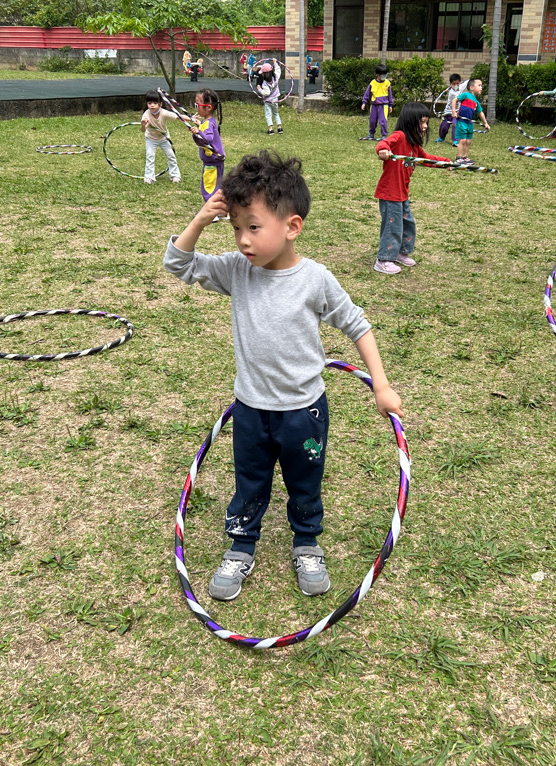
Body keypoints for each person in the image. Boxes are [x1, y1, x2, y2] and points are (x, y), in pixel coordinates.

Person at [164, 150, 403, 600]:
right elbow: (179, 264)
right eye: (236, 228)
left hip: (303, 412)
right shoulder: (237, 271)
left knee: (304, 482)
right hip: (251, 410)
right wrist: (200, 220)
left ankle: (307, 542)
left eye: (253, 227)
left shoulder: (315, 279)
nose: (242, 240)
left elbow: (357, 325)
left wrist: (382, 386)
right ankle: (241, 546)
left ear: (292, 226)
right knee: (249, 481)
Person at [373, 103, 450, 275]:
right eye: (422, 122)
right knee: (393, 226)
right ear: (410, 122)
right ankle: (383, 259)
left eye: (426, 122)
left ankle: (400, 252)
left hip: (402, 194)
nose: (425, 126)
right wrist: (384, 150)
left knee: (408, 224)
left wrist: (445, 162)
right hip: (390, 193)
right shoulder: (400, 136)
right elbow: (383, 143)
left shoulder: (413, 145)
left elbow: (426, 159)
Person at [189, 88, 224, 204]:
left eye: (197, 105)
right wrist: (200, 125)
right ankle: (219, 208)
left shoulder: (208, 123)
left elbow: (208, 139)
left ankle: (213, 209)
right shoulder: (208, 121)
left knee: (209, 188)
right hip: (215, 160)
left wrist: (198, 132)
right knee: (216, 186)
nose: (196, 107)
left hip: (212, 161)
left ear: (208, 107)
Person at [140, 91, 182, 184]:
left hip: (164, 138)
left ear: (160, 104)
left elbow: (178, 117)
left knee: (171, 156)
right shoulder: (146, 114)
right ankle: (149, 177)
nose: (152, 105)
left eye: (155, 103)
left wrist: (191, 119)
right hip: (151, 139)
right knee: (150, 156)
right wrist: (143, 125)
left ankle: (175, 175)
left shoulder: (164, 113)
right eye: (149, 103)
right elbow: (143, 130)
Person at [451, 78, 491, 165]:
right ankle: (459, 158)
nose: (481, 87)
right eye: (479, 85)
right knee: (462, 140)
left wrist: (485, 123)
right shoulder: (465, 95)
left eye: (481, 86)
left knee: (468, 141)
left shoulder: (476, 102)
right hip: (462, 121)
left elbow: (480, 113)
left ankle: (465, 157)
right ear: (472, 87)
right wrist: (454, 112)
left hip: (470, 123)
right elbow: (454, 100)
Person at [360, 64, 393, 141]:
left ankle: (384, 135)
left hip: (384, 105)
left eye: (386, 75)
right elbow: (367, 93)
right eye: (382, 75)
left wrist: (390, 105)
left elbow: (390, 95)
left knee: (383, 121)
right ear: (377, 75)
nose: (384, 77)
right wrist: (364, 102)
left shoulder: (387, 83)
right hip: (374, 105)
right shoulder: (373, 83)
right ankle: (371, 134)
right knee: (372, 120)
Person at [435, 73, 465, 145]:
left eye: (457, 83)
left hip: (456, 113)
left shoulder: (461, 86)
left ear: (460, 82)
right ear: (450, 84)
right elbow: (455, 101)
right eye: (454, 84)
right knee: (444, 127)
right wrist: (454, 111)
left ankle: (456, 140)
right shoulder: (452, 93)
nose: (456, 85)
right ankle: (442, 137)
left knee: (455, 125)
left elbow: (467, 82)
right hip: (448, 112)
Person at [256, 62, 283, 135]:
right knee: (276, 113)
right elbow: (278, 70)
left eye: (262, 73)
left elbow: (266, 93)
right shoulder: (276, 77)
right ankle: (279, 128)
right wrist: (275, 63)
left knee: (268, 115)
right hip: (275, 100)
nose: (261, 74)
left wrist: (259, 89)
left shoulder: (265, 83)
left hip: (268, 101)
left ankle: (270, 129)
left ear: (265, 74)